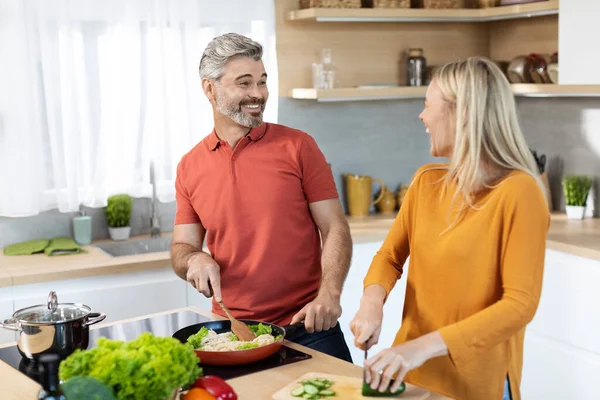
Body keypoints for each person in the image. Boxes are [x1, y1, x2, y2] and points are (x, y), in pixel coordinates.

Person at [349, 56, 550, 400]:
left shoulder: (520, 192)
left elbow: (519, 305)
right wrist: (372, 301)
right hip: (410, 373)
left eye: (428, 105)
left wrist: (418, 348)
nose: (422, 116)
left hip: (476, 382)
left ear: (462, 114)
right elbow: (390, 257)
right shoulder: (426, 182)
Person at [170, 33, 353, 362]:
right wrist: (195, 260)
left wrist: (330, 294)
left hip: (310, 327)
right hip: (234, 332)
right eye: (244, 83)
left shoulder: (299, 147)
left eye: (262, 82)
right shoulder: (189, 166)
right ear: (209, 89)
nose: (257, 94)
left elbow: (335, 227)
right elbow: (182, 248)